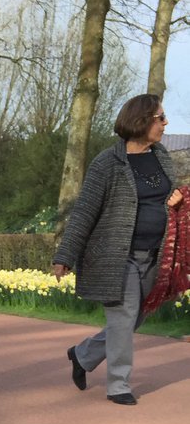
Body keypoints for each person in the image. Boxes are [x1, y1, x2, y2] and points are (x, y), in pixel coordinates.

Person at [53, 93, 183, 406]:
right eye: (160, 118)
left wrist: (175, 202)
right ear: (142, 121)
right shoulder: (108, 163)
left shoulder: (162, 155)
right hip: (117, 258)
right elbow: (85, 210)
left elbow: (170, 198)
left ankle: (83, 355)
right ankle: (118, 384)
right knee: (124, 319)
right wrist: (65, 256)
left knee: (134, 318)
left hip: (154, 257)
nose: (165, 124)